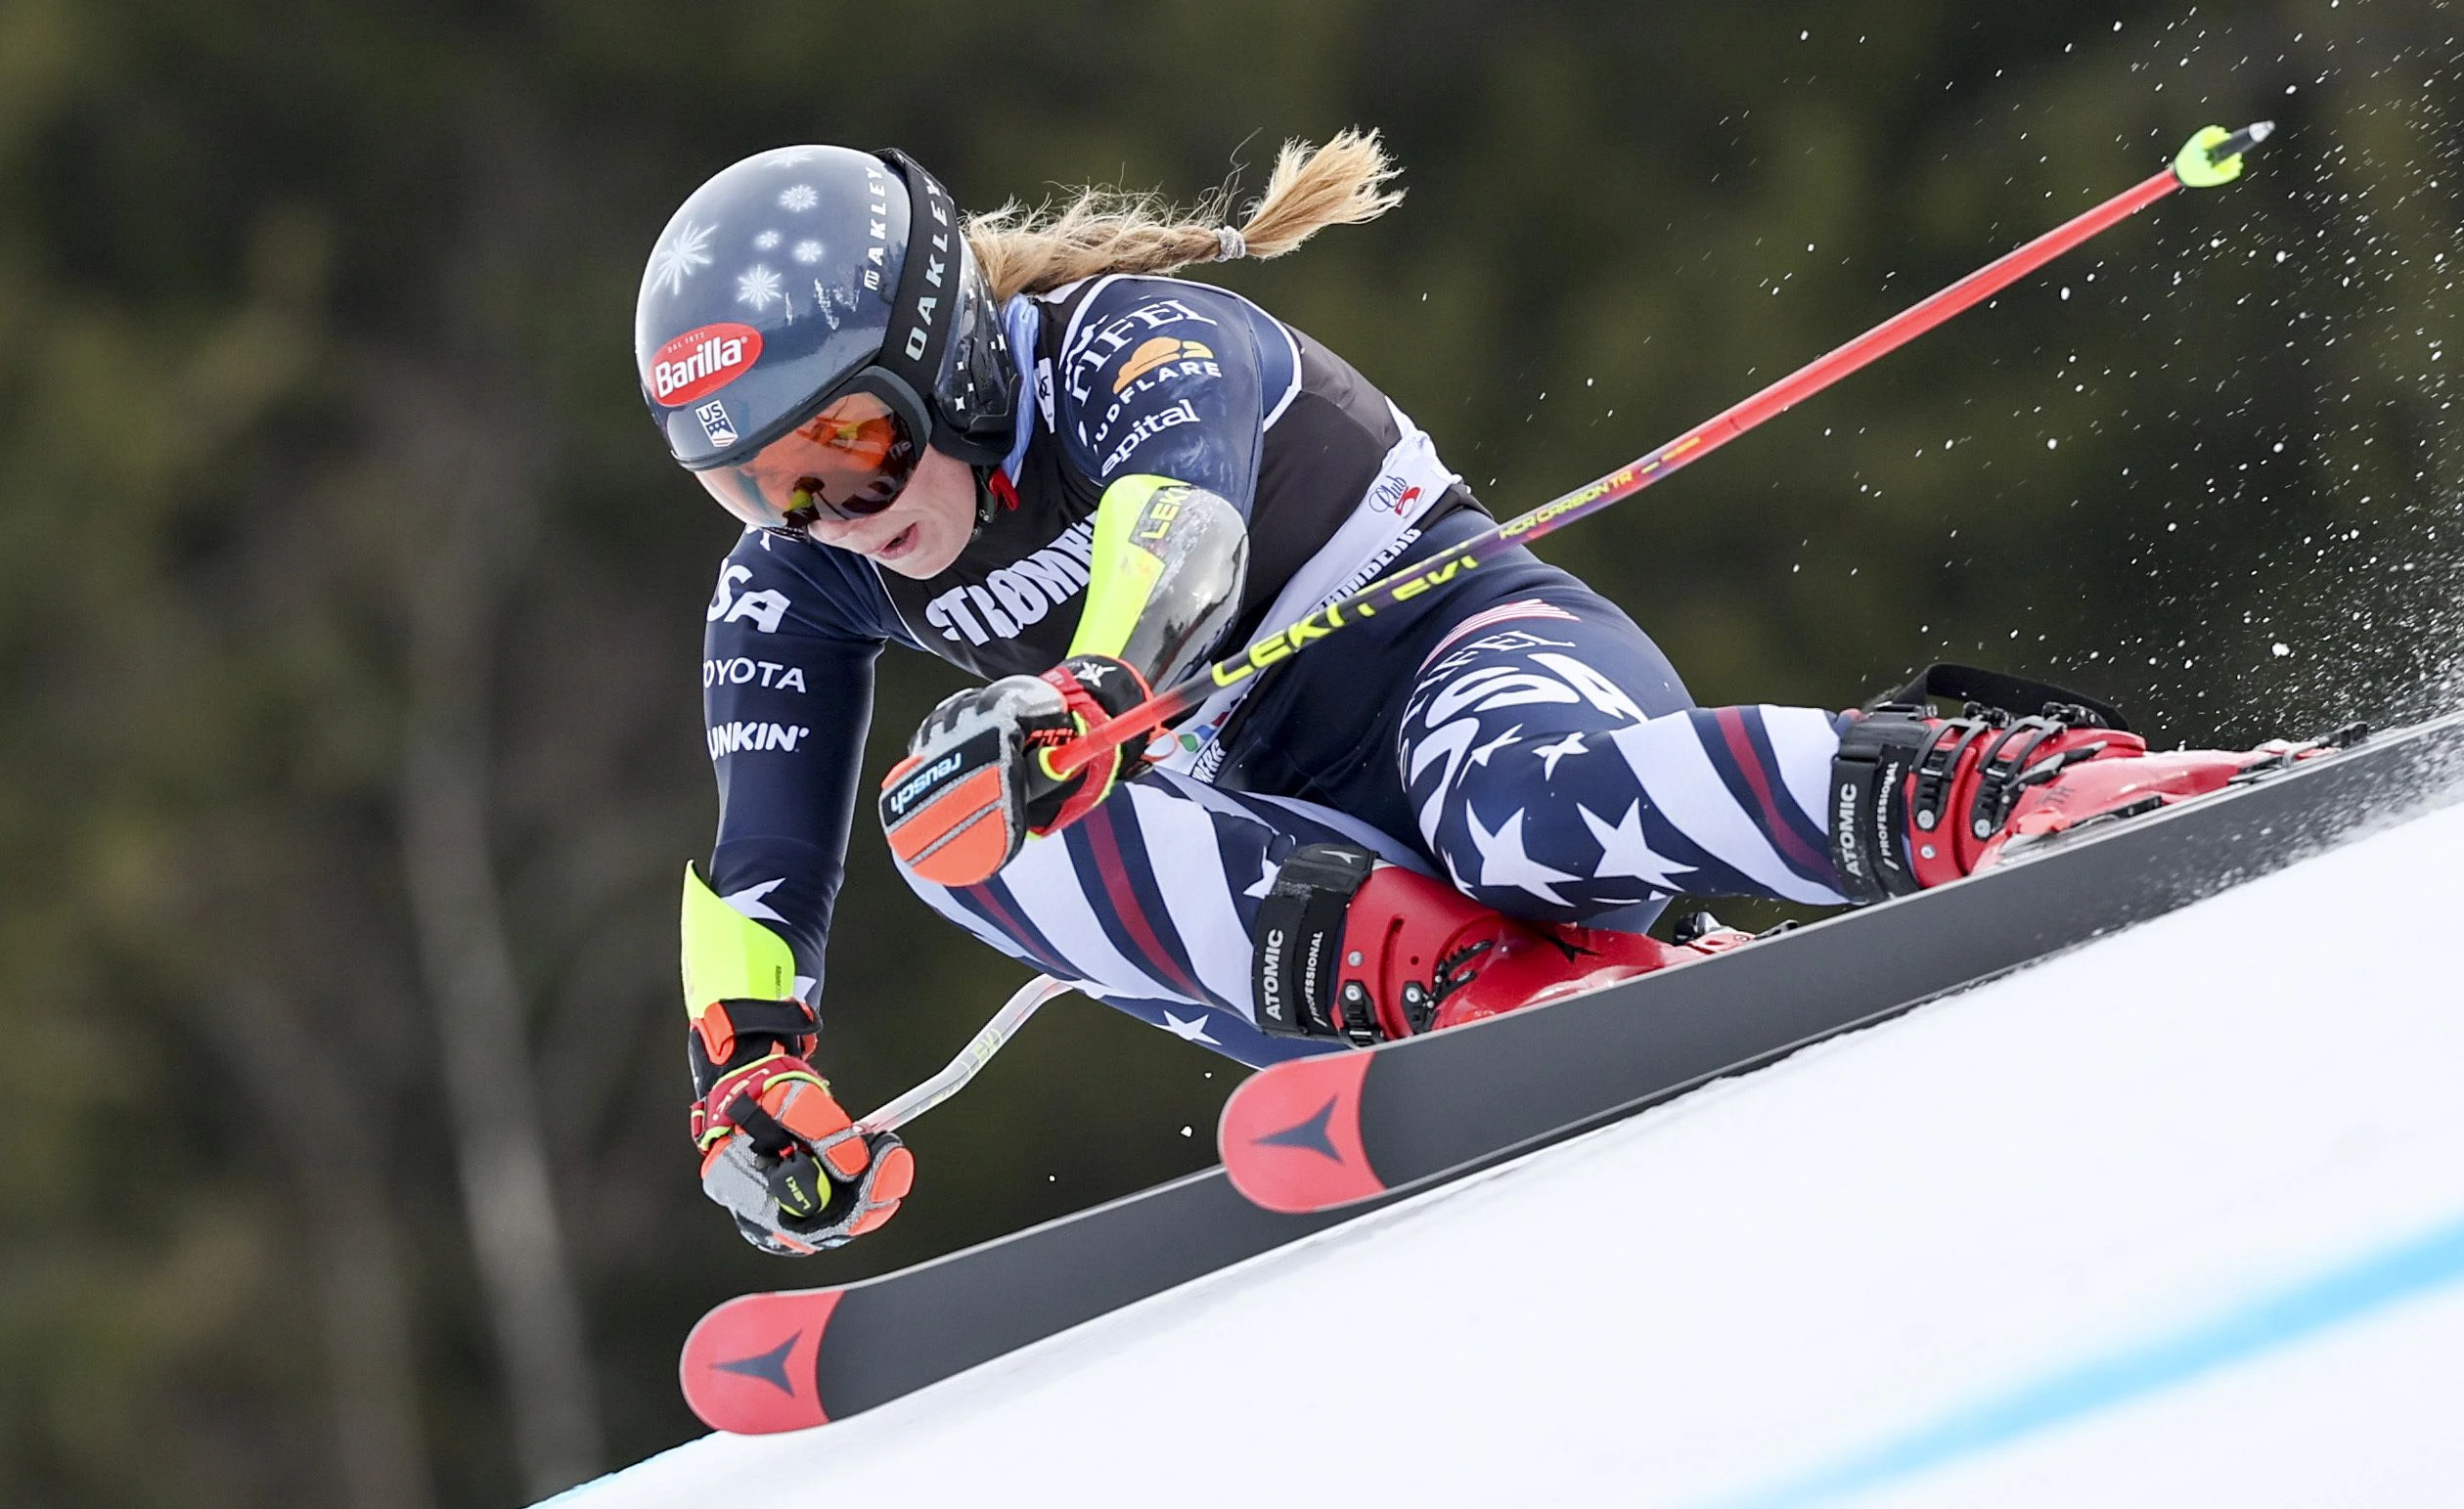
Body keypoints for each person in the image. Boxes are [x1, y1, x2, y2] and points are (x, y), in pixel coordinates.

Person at [638, 132, 2306, 1254]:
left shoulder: (1133, 346)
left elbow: (1183, 535)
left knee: (1514, 803)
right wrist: (751, 1070)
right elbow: (755, 862)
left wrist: (1092, 688)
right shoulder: (800, 575)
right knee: (953, 824)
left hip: (1461, 666)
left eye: (845, 442)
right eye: (753, 483)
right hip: (1297, 854)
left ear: (939, 351)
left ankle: (1999, 790)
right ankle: (1490, 996)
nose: (824, 510)